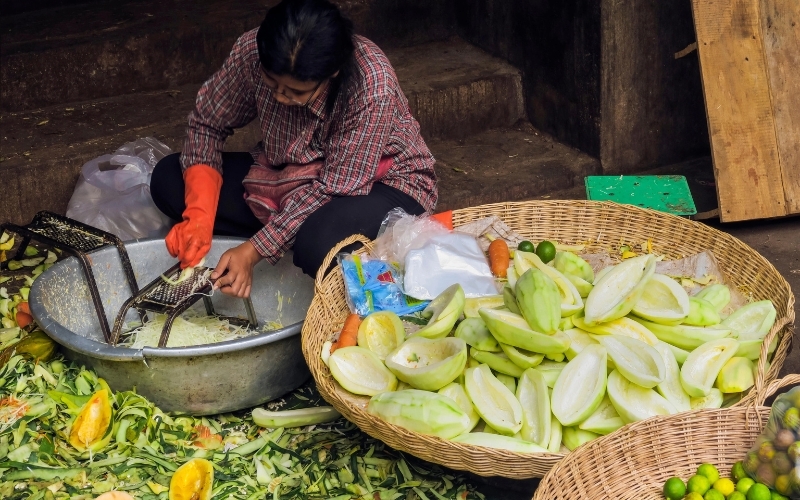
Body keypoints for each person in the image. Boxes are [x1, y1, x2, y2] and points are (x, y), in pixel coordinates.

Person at [150, 0, 437, 298]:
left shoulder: (371, 83)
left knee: (318, 243)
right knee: (168, 180)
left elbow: (335, 188)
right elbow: (207, 123)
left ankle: (289, 243)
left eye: (296, 91)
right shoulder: (251, 50)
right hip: (286, 176)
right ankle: (283, 236)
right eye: (271, 82)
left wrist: (253, 250)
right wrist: (199, 215)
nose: (281, 97)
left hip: (376, 185)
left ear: (333, 73)